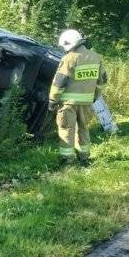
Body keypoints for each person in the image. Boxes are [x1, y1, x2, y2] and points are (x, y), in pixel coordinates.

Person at [48, 29, 108, 167]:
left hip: (68, 104)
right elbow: (103, 81)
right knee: (84, 129)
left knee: (66, 129)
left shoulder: (69, 58)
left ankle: (67, 160)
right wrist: (95, 96)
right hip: (87, 102)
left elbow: (59, 83)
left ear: (68, 44)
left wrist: (52, 100)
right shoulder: (96, 57)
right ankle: (84, 159)